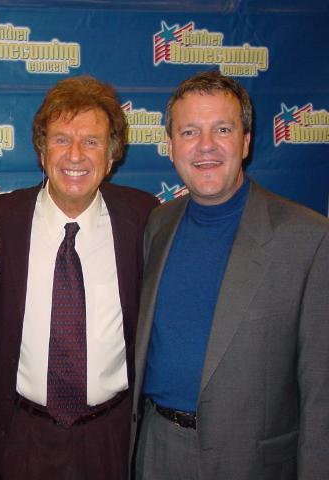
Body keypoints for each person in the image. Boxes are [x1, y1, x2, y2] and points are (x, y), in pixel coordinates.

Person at [131, 71, 329, 480]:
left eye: (222, 129)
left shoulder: (308, 237)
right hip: (156, 449)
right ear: (170, 146)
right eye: (189, 131)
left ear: (246, 140)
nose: (206, 146)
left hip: (251, 462)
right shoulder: (157, 224)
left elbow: (321, 392)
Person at [0, 75, 158, 480]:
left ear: (112, 155)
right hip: (22, 434)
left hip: (113, 437)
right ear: (42, 151)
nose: (75, 155)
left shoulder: (145, 218)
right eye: (61, 139)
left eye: (92, 141)